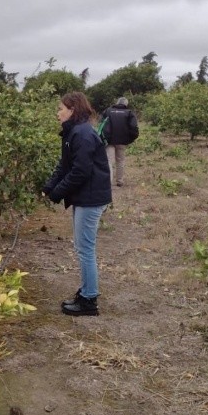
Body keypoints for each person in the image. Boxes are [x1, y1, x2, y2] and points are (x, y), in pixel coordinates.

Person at [42, 92, 112, 316]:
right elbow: (64, 166)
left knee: (85, 249)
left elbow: (80, 171)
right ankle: (86, 292)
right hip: (85, 196)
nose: (58, 113)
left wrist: (57, 193)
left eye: (61, 108)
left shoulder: (82, 134)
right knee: (83, 248)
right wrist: (48, 187)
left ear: (72, 110)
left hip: (90, 198)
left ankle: (89, 301)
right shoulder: (74, 132)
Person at [101, 97, 139, 187]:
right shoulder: (129, 113)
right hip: (122, 141)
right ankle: (119, 181)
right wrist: (131, 138)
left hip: (108, 141)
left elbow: (101, 123)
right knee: (120, 160)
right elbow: (133, 127)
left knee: (109, 161)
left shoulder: (108, 111)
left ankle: (108, 183)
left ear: (117, 102)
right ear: (126, 104)